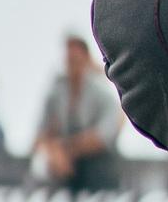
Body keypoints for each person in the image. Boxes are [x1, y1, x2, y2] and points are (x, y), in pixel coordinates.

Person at [35, 35, 124, 187]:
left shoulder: (101, 93)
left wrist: (67, 149)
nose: (72, 65)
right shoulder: (56, 94)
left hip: (98, 172)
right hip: (65, 175)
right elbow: (41, 135)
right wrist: (54, 152)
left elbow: (104, 135)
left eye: (76, 60)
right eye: (69, 60)